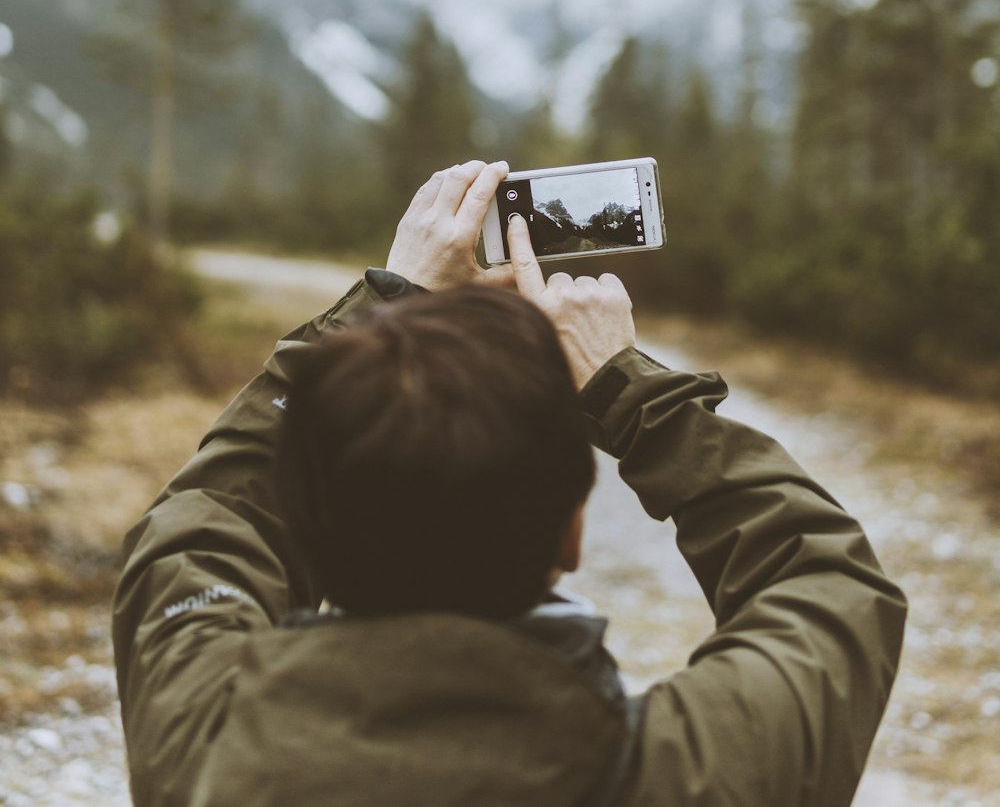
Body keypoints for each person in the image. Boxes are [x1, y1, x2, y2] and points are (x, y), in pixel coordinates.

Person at [113, 159, 906, 807]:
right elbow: (827, 583)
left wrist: (389, 304)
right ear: (573, 533)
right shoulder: (684, 775)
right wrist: (630, 393)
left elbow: (212, 511)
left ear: (313, 528)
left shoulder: (205, 746)